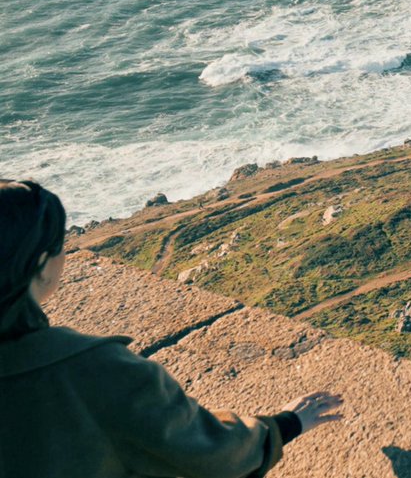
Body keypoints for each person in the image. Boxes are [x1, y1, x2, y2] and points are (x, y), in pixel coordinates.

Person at [0, 179, 344, 477]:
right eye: (62, 247)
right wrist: (286, 424)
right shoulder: (92, 371)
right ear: (43, 265)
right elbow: (216, 456)